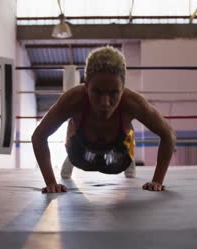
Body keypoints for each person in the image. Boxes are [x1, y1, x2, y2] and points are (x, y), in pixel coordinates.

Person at [31, 46, 175, 193]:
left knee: (118, 158)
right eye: (97, 92)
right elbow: (38, 136)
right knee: (74, 137)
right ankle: (71, 149)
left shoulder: (132, 102)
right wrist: (51, 182)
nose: (105, 103)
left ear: (123, 87)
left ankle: (128, 157)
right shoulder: (73, 100)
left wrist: (157, 181)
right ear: (86, 86)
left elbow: (168, 134)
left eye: (113, 93)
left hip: (119, 155)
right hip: (79, 151)